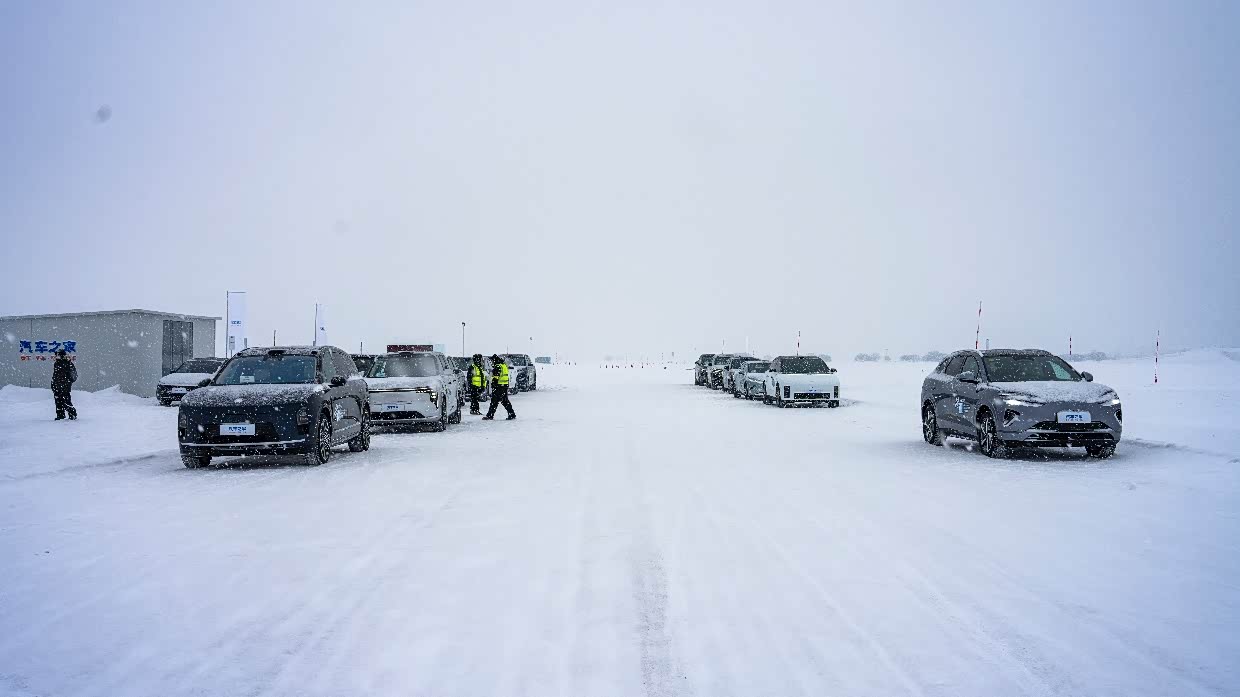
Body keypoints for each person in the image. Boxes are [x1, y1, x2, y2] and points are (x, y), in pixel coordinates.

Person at [483, 353, 516, 421]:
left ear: (494, 360)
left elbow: (496, 378)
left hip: (498, 387)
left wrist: (489, 379)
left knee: (494, 402)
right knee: (505, 401)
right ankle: (512, 414)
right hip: (504, 386)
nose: (492, 362)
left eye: (492, 361)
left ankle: (490, 415)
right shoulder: (503, 365)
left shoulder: (497, 366)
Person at [51, 349, 78, 420]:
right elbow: (55, 376)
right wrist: (53, 384)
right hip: (57, 387)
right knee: (58, 402)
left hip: (65, 387)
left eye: (57, 355)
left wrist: (67, 382)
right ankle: (60, 416)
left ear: (61, 356)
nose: (56, 357)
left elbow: (74, 376)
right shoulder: (56, 364)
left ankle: (72, 414)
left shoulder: (68, 363)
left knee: (66, 402)